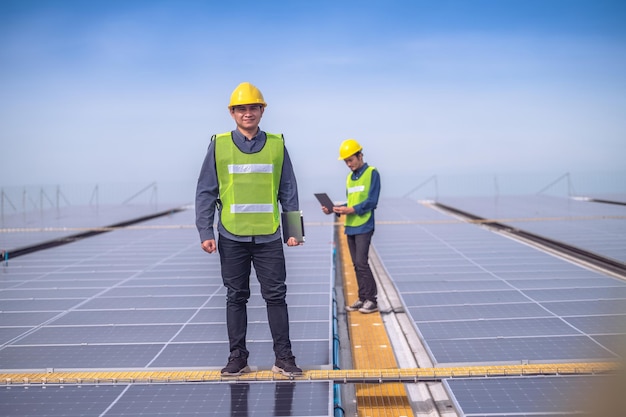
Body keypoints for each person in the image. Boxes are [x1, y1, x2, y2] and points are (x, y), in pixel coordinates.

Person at [195, 82, 303, 376]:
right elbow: (206, 190)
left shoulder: (278, 144)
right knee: (235, 296)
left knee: (276, 297)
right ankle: (238, 357)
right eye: (241, 108)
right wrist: (205, 231)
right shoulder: (219, 144)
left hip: (268, 234)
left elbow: (288, 189)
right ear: (232, 113)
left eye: (253, 107)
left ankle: (284, 358)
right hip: (231, 236)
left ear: (261, 110)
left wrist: (294, 230)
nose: (247, 113)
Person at [322, 139, 381, 314]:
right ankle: (362, 298)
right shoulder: (349, 177)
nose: (348, 164)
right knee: (356, 264)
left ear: (360, 155)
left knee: (362, 262)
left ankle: (372, 300)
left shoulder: (372, 173)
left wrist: (351, 209)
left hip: (364, 224)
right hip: (350, 225)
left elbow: (371, 201)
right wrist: (334, 210)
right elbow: (352, 201)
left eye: (350, 160)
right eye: (346, 161)